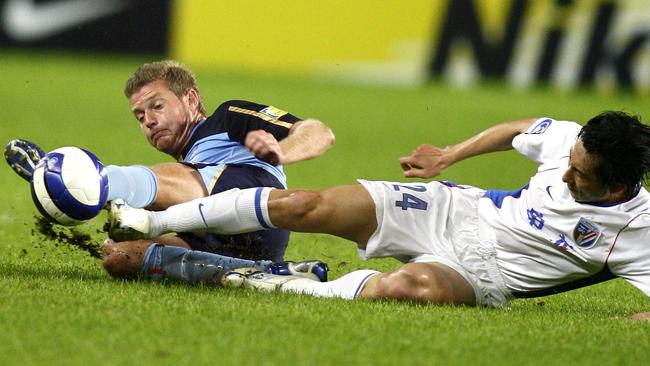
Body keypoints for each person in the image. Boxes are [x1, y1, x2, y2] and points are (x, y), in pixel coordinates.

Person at [106, 111, 650, 317]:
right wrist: (450, 155)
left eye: (580, 176)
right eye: (569, 162)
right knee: (304, 205)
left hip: (484, 276)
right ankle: (147, 222)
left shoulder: (638, 232)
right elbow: (521, 129)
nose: (564, 175)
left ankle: (261, 282)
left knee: (404, 290)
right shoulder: (571, 143)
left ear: (619, 185)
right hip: (455, 211)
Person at [5, 60, 335, 282]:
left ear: (191, 99)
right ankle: (260, 273)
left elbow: (319, 132)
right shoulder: (180, 167)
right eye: (139, 116)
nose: (148, 120)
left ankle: (93, 180)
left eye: (156, 106)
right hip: (224, 239)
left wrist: (282, 151)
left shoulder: (227, 118)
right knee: (118, 253)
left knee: (169, 184)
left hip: (257, 204)